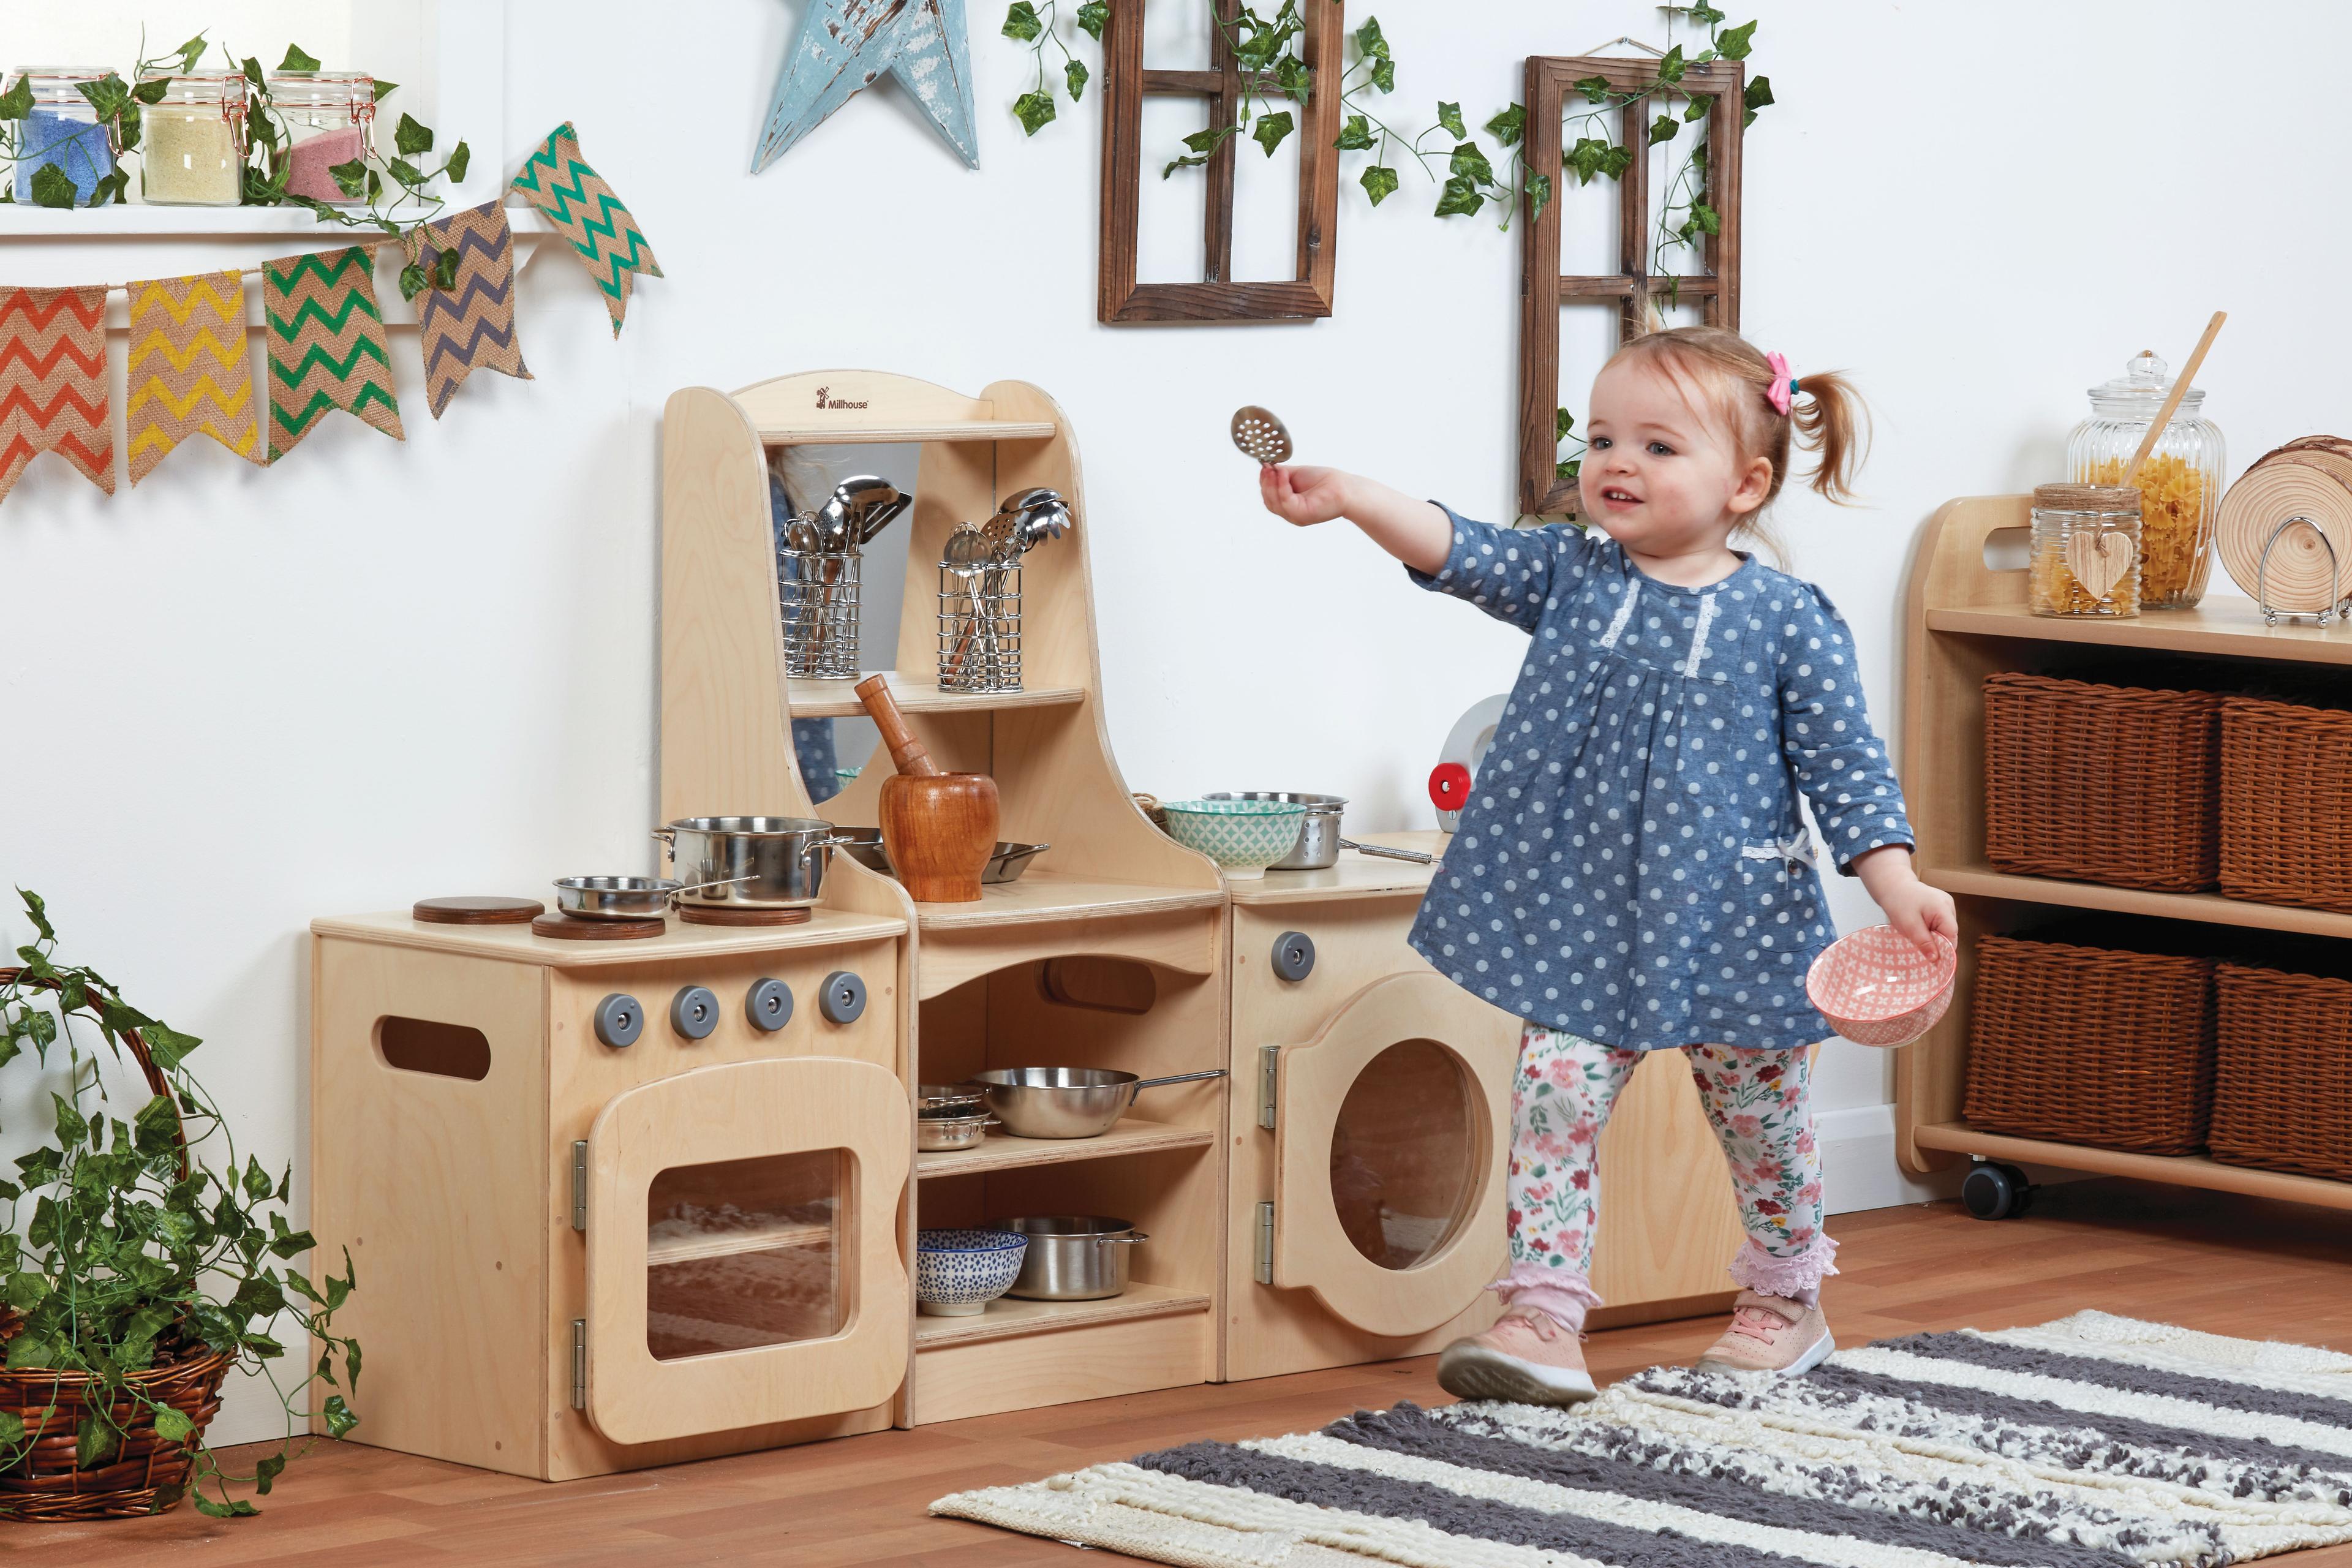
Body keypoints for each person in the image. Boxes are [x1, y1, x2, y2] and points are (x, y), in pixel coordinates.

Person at [1259, 326, 1957, 1404]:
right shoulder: (1572, 574)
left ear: (1747, 483)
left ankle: (1786, 1300)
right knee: (1554, 1096)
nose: (1617, 463)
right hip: (1587, 919)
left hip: (1738, 924)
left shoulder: (1785, 621)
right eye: (1601, 438)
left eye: (1659, 447)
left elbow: (1848, 768)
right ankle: (1542, 1316)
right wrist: (1350, 494)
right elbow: (1457, 545)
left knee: (1761, 1121)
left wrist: (1897, 881)